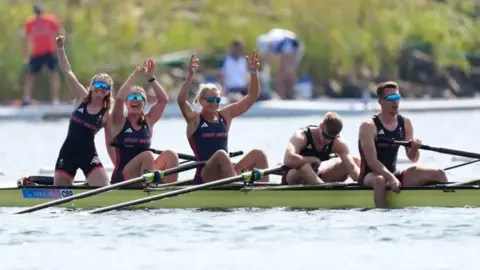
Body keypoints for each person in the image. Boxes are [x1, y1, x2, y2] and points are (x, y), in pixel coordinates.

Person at [177, 52, 269, 184]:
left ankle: (264, 192)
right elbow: (181, 101)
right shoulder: (194, 120)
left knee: (258, 154)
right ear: (201, 101)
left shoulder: (226, 115)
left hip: (226, 171)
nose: (214, 103)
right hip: (206, 175)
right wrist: (191, 76)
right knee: (221, 154)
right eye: (210, 99)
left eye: (217, 99)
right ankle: (235, 191)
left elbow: (252, 96)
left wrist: (253, 72)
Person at [358, 81, 448, 208]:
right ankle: (382, 215)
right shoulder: (368, 126)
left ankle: (446, 207)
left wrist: (414, 149)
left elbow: (412, 158)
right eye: (391, 98)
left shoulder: (405, 123)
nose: (395, 102)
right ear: (380, 102)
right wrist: (392, 179)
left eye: (397, 97)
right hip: (370, 176)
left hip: (394, 174)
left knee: (439, 173)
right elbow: (372, 162)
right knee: (380, 180)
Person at [53, 35, 114, 187]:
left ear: (108, 92)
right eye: (98, 84)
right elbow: (67, 71)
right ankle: (84, 187)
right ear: (92, 86)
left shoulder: (106, 115)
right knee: (59, 192)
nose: (101, 89)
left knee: (104, 189)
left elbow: (110, 144)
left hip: (88, 155)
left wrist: (119, 167)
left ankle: (89, 186)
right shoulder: (81, 97)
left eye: (105, 87)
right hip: (68, 153)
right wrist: (60, 49)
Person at [110, 59, 179, 185]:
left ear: (145, 103)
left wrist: (151, 78)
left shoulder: (149, 120)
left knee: (171, 154)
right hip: (123, 177)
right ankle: (150, 187)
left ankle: (169, 190)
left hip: (144, 173)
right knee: (148, 155)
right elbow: (119, 98)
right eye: (131, 97)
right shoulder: (118, 121)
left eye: (139, 97)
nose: (135, 100)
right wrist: (134, 76)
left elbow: (163, 100)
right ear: (127, 103)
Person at [282, 112, 361, 185]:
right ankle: (325, 190)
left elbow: (352, 168)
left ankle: (324, 189)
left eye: (332, 138)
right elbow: (288, 159)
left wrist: (366, 183)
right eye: (326, 136)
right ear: (320, 126)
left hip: (316, 176)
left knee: (355, 161)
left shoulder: (338, 143)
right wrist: (312, 159)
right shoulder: (301, 136)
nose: (328, 141)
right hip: (292, 177)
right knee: (305, 167)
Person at [22, 3, 62, 106]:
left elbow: (59, 32)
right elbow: (27, 39)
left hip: (49, 52)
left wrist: (60, 48)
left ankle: (55, 99)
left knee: (53, 74)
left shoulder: (50, 20)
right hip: (37, 53)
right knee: (30, 76)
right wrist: (26, 55)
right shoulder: (30, 22)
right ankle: (26, 98)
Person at [256, 28, 304, 100]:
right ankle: (287, 94)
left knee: (282, 71)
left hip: (293, 45)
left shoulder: (278, 41)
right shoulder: (272, 40)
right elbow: (266, 60)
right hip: (293, 45)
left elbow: (269, 60)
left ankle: (286, 95)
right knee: (284, 71)